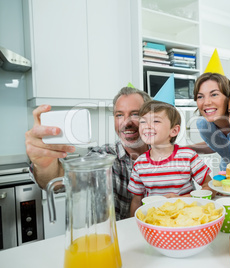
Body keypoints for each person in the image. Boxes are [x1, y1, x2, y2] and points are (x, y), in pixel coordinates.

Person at [25, 86, 151, 220]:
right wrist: (46, 165)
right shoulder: (105, 157)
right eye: (119, 115)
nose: (126, 122)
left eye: (135, 114)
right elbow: (61, 181)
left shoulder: (168, 154)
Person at [128, 100, 213, 216]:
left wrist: (181, 199)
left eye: (156, 121)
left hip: (186, 217)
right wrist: (133, 223)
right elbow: (136, 201)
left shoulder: (188, 156)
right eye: (143, 121)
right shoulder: (139, 164)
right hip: (154, 222)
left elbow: (210, 187)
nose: (147, 126)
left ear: (174, 131)